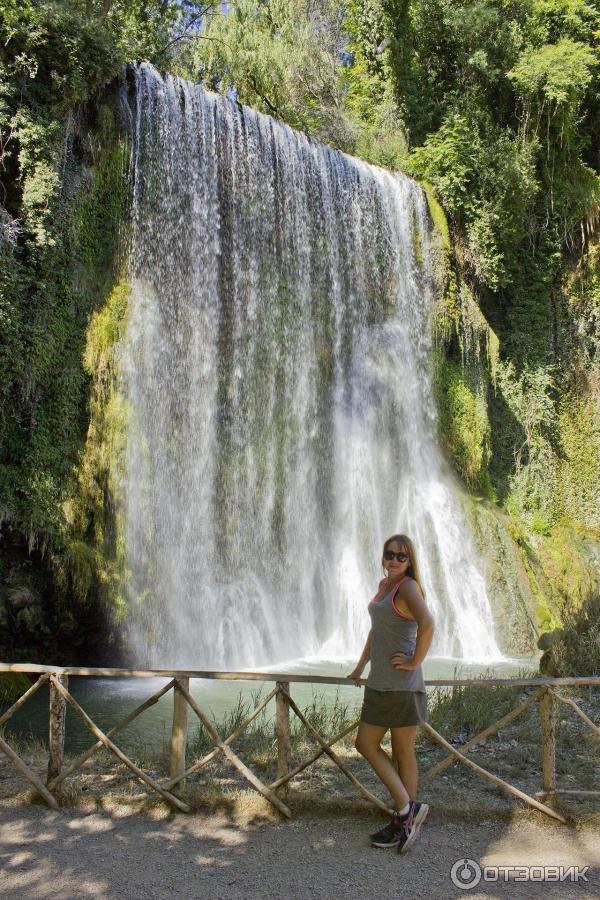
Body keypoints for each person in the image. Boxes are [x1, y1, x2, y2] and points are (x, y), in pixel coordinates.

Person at [347, 533, 435, 853]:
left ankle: (403, 816)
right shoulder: (384, 586)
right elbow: (376, 631)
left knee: (401, 752)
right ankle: (407, 812)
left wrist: (415, 661)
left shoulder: (408, 586)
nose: (395, 560)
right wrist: (360, 667)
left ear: (410, 562)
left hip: (401, 685)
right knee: (369, 744)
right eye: (390, 554)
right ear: (382, 556)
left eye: (402, 556)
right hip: (379, 682)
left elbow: (428, 623)